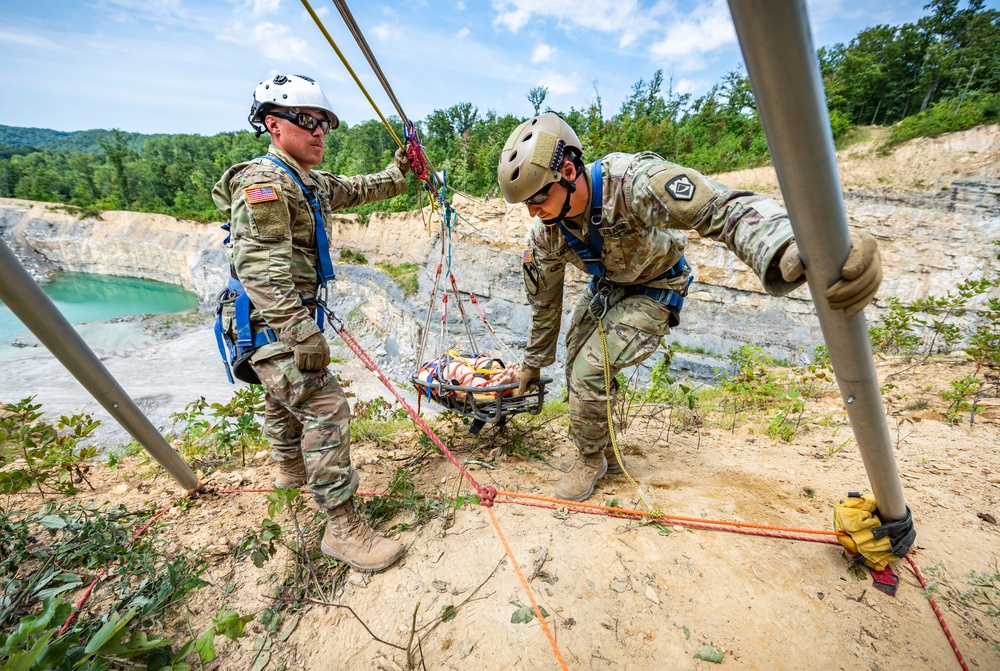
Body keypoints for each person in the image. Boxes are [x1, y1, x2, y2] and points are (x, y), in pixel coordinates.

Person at [497, 112, 881, 503]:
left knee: (591, 367)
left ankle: (590, 458)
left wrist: (800, 244)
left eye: (538, 197)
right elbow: (544, 302)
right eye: (525, 204)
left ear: (567, 170)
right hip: (609, 286)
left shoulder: (632, 182)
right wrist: (533, 363)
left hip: (656, 287)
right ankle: (606, 449)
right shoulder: (545, 235)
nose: (532, 211)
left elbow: (718, 207)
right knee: (575, 355)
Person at [212, 74, 411, 571]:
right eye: (309, 121)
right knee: (323, 404)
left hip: (274, 314)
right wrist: (303, 332)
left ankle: (288, 471)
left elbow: (361, 188)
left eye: (325, 124)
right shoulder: (265, 183)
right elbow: (259, 271)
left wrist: (400, 169)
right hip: (271, 316)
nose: (321, 132)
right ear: (275, 125)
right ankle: (343, 529)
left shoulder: (305, 181)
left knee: (283, 395)